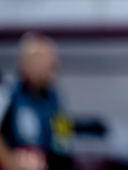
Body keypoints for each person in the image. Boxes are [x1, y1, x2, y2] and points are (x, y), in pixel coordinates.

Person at [0, 32, 74, 170]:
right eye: (42, 60)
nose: (51, 67)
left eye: (52, 61)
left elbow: (64, 143)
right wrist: (10, 162)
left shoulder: (57, 98)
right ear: (26, 63)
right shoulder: (8, 93)